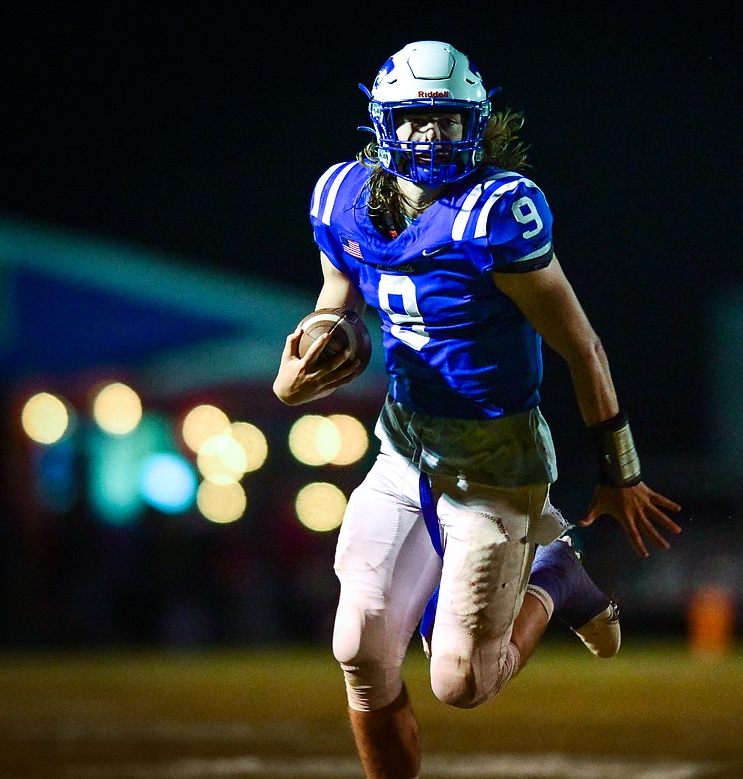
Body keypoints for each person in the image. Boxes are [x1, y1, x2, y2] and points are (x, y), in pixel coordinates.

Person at [272, 40, 681, 778]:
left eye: (449, 121)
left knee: (459, 681)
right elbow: (337, 301)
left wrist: (619, 472)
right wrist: (307, 354)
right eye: (416, 121)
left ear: (477, 124)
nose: (432, 138)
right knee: (358, 648)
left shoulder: (496, 212)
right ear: (382, 123)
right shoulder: (340, 199)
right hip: (402, 450)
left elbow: (582, 346)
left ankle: (555, 576)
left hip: (497, 462)